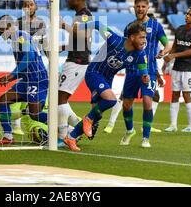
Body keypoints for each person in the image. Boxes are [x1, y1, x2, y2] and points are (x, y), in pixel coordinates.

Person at [63, 21, 150, 152]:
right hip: (94, 73)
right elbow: (97, 24)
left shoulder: (139, 54)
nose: (144, 41)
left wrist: (145, 77)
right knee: (111, 100)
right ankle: (87, 119)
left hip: (108, 79)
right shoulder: (114, 39)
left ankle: (71, 137)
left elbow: (144, 71)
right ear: (132, 37)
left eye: (145, 37)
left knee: (98, 115)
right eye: (142, 37)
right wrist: (80, 26)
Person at [104, 0, 172, 137]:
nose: (140, 9)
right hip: (132, 70)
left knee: (148, 101)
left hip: (150, 70)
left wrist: (164, 51)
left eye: (143, 6)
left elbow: (168, 43)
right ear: (134, 7)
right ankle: (130, 131)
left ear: (147, 8)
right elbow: (125, 47)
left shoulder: (156, 26)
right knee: (127, 104)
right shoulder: (129, 28)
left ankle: (146, 138)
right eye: (138, 6)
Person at [0, 15, 49, 145]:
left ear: (9, 27)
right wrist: (11, 77)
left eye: (0, 29)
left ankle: (65, 128)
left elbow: (29, 56)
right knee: (3, 100)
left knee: (34, 114)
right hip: (26, 79)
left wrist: (12, 75)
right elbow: (25, 64)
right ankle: (8, 136)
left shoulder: (20, 36)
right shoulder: (16, 39)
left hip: (37, 79)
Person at [58, 0, 93, 147]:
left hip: (77, 62)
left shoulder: (84, 15)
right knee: (59, 98)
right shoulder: (80, 15)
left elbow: (84, 36)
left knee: (60, 98)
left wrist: (63, 25)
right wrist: (63, 47)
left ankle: (66, 135)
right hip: (75, 59)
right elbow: (79, 41)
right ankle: (77, 125)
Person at [164, 7, 191, 133]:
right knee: (174, 94)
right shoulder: (179, 29)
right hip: (177, 67)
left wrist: (174, 56)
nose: (187, 16)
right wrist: (167, 56)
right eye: (187, 14)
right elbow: (175, 46)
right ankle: (173, 125)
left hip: (190, 68)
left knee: (186, 94)